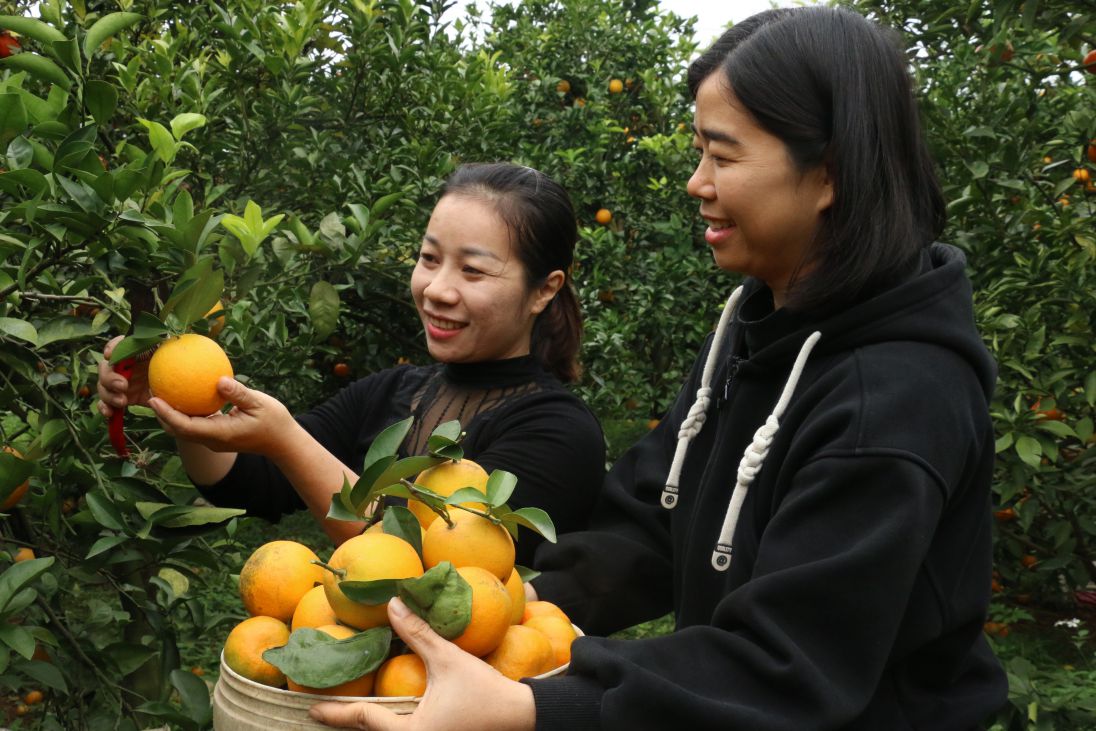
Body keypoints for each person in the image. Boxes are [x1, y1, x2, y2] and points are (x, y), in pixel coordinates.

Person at [307, 7, 1008, 730]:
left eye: (723, 156)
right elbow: (647, 529)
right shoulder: (756, 324)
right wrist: (508, 607)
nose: (695, 183)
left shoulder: (894, 400)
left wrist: (532, 704)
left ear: (827, 174)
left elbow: (786, 663)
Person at [97, 162, 605, 564]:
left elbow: (418, 563)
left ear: (543, 290)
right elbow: (250, 482)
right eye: (429, 259)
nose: (436, 289)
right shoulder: (393, 392)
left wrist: (284, 439)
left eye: (472, 270)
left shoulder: (558, 432)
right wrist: (183, 403)